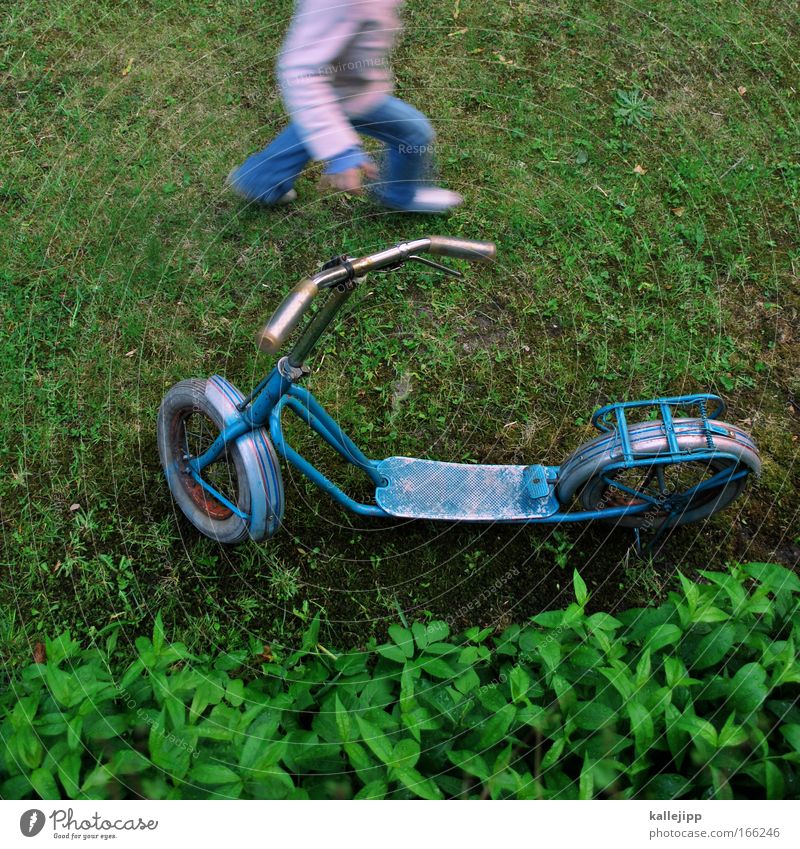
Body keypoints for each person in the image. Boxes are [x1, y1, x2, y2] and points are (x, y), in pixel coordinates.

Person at [227, 0, 463, 213]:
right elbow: (302, 71)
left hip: (352, 87)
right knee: (413, 132)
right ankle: (400, 195)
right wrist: (342, 153)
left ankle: (260, 179)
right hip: (344, 91)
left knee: (320, 125)